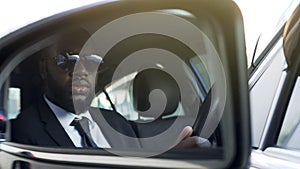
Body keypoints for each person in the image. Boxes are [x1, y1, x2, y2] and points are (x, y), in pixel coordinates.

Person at [10, 27, 209, 149]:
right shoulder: (26, 129)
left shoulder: (117, 122)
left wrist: (172, 159)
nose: (81, 70)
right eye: (66, 60)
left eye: (91, 60)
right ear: (44, 69)